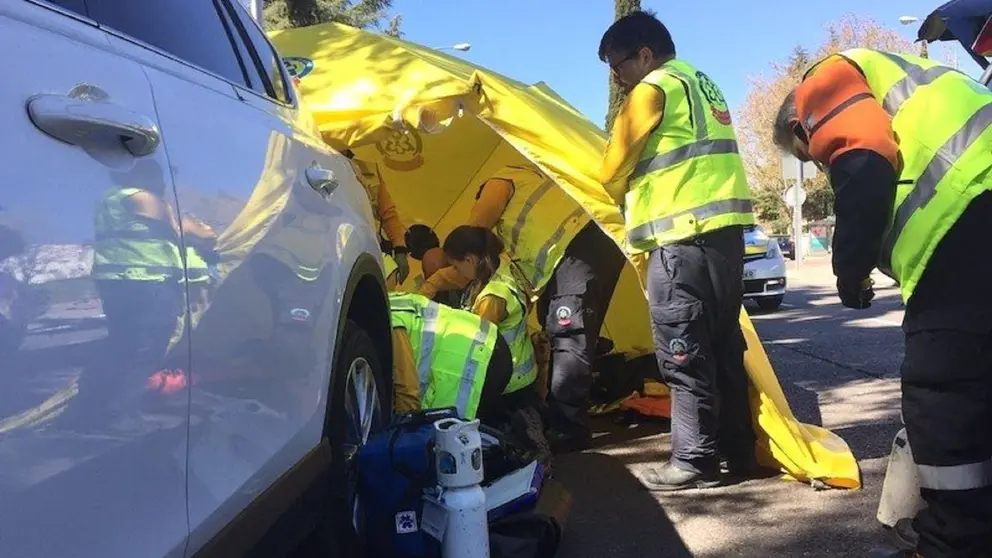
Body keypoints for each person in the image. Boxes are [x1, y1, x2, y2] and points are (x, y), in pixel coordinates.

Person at [772, 48, 992, 558]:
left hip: (966, 227)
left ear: (799, 126)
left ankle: (956, 539)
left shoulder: (822, 82)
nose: (821, 165)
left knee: (946, 394)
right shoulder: (905, 84)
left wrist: (849, 269)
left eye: (813, 157)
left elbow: (863, 158)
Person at [597, 10, 757, 491]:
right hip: (724, 238)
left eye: (617, 65)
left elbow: (611, 168)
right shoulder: (701, 83)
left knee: (683, 353)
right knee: (723, 346)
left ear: (644, 54)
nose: (617, 78)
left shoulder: (653, 88)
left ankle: (692, 460)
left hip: (680, 240)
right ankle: (738, 452)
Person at [418, 164, 627, 453]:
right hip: (594, 240)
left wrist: (435, 279)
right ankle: (563, 416)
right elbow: (474, 264)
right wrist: (440, 280)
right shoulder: (529, 184)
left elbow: (475, 230)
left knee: (568, 334)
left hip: (577, 246)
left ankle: (569, 429)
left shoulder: (500, 179)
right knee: (565, 330)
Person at [389, 291, 514, 422]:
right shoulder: (393, 301)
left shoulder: (391, 323)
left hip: (476, 364)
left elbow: (407, 394)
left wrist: (404, 428)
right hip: (487, 343)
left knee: (448, 432)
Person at [442, 226, 539, 396]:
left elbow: (477, 346)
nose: (457, 273)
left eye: (456, 267)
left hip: (510, 384)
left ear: (469, 260)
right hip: (524, 375)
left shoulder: (492, 298)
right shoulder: (502, 266)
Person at [343, 149, 411, 284]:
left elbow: (388, 214)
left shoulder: (369, 171)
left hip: (373, 249)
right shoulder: (315, 167)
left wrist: (400, 249)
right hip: (341, 250)